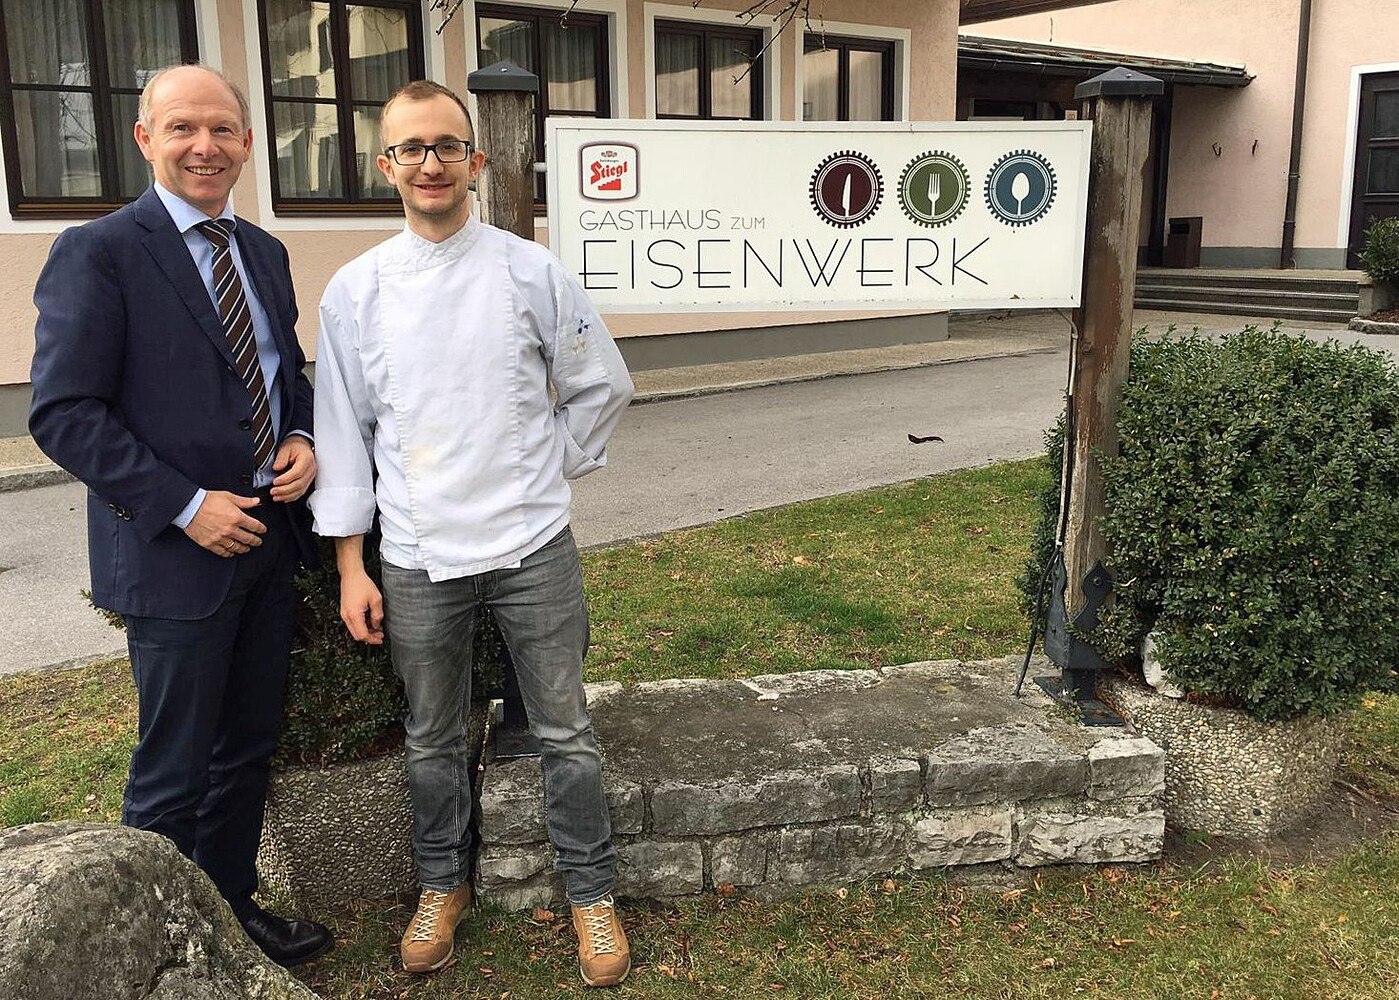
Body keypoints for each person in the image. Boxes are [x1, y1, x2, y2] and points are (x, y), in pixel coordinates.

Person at [309, 80, 634, 986]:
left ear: (475, 162)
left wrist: (544, 464)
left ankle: (590, 893)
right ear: (386, 166)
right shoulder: (356, 291)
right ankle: (441, 886)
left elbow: (601, 384)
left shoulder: (530, 271)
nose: (429, 163)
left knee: (566, 730)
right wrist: (349, 563)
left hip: (534, 545)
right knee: (431, 734)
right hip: (415, 554)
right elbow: (341, 432)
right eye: (410, 148)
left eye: (446, 146)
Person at [28, 64, 332, 967]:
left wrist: (304, 438)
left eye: (223, 130)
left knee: (246, 749)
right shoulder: (102, 251)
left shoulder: (264, 253)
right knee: (172, 769)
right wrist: (186, 506)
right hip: (175, 556)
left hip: (270, 547)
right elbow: (63, 412)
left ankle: (230, 918)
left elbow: (286, 377)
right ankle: (153, 954)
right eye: (183, 129)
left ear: (247, 142)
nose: (205, 147)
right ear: (145, 139)